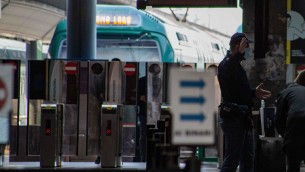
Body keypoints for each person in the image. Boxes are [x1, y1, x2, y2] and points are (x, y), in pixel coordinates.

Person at [217, 32, 272, 172]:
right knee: (232, 159)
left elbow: (238, 91)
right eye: (245, 46)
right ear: (238, 45)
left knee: (248, 158)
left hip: (243, 118)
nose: (247, 50)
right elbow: (228, 68)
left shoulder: (237, 66)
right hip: (234, 119)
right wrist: (238, 54)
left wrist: (253, 93)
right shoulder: (226, 64)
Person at [275, 70, 305, 172]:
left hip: (295, 125)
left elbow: (279, 120)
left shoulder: (285, 92)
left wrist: (286, 136)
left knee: (293, 166)